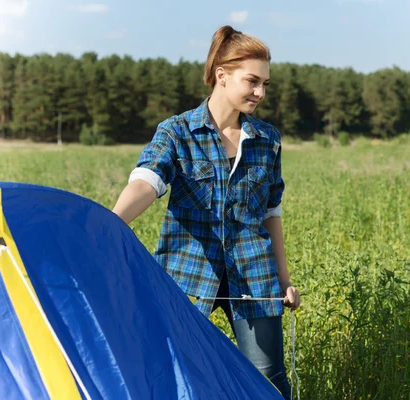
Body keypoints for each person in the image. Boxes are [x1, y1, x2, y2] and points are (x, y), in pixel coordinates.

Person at [112, 25, 300, 399]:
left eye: (265, 83)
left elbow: (271, 212)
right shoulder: (177, 132)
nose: (261, 92)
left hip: (254, 273)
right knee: (172, 373)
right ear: (222, 75)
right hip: (186, 273)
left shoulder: (268, 139)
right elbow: (147, 181)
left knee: (268, 380)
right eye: (252, 81)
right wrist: (110, 223)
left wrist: (283, 277)